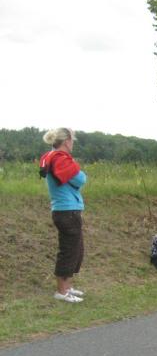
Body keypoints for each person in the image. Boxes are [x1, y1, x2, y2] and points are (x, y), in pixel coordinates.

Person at [40, 128, 87, 303]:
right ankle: (61, 291)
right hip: (67, 211)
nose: (73, 143)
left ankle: (67, 287)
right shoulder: (60, 159)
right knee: (68, 251)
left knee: (76, 250)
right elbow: (81, 179)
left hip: (66, 210)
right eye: (72, 140)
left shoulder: (54, 157)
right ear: (67, 141)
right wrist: (78, 170)